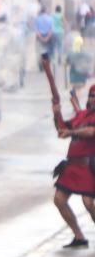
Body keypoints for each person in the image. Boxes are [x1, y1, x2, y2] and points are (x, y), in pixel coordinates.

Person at [52, 85, 95, 248]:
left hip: (88, 166)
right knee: (59, 200)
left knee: (88, 203)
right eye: (91, 96)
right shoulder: (81, 115)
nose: (92, 100)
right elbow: (62, 130)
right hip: (71, 166)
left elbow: (91, 132)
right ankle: (79, 236)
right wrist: (56, 112)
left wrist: (72, 133)